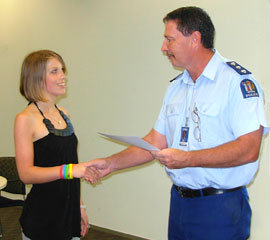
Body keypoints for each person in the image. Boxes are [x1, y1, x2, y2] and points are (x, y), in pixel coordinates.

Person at [86, 6, 270, 240]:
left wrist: (188, 159)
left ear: (195, 39)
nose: (164, 48)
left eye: (169, 40)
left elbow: (248, 149)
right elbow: (154, 142)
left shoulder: (237, 83)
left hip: (221, 208)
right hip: (181, 204)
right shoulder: (176, 87)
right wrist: (110, 164)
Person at [14, 50, 97, 240]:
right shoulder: (25, 119)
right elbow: (25, 174)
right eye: (54, 71)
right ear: (36, 78)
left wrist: (80, 206)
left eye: (62, 70)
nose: (63, 76)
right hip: (43, 217)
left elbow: (71, 164)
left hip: (68, 213)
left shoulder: (64, 113)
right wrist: (69, 170)